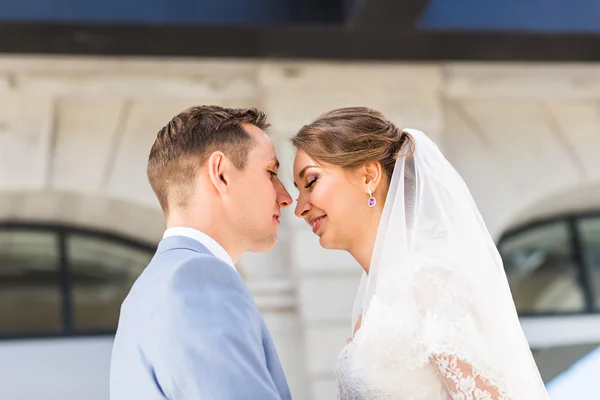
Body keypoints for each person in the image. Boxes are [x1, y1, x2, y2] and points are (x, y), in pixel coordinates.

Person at [291, 107, 550, 399]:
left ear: (368, 176)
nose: (300, 207)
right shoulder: (378, 298)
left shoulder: (428, 280)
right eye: (298, 189)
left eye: (311, 182)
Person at [110, 105, 293, 400]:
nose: (285, 197)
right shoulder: (195, 280)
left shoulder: (144, 293)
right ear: (221, 174)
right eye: (271, 172)